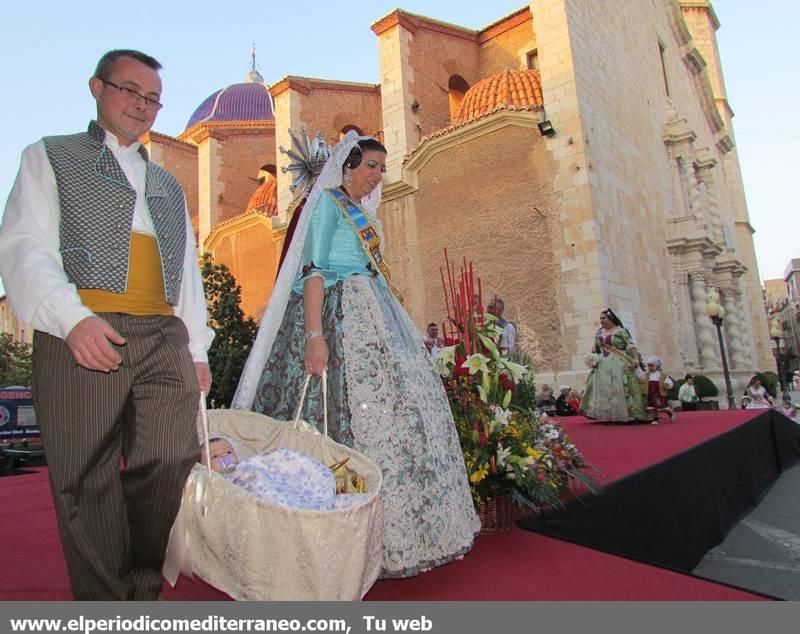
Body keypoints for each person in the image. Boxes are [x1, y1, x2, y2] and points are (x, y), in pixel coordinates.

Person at [0, 50, 214, 600]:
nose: (140, 106)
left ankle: (138, 591)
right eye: (128, 90)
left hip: (163, 333)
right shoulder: (48, 156)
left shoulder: (169, 186)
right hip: (84, 328)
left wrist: (197, 350)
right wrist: (72, 320)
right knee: (84, 478)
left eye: (151, 99)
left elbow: (187, 272)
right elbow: (26, 247)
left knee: (172, 458)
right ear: (97, 88)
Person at [232, 132, 479, 578]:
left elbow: (374, 270)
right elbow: (313, 270)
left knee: (402, 416)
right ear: (347, 166)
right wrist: (315, 335)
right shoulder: (328, 204)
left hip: (376, 311)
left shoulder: (366, 214)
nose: (378, 175)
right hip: (338, 311)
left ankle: (403, 533)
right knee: (334, 421)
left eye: (382, 168)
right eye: (371, 165)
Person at [580, 309, 647, 422]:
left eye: (604, 318)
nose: (601, 321)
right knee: (603, 389)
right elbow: (595, 349)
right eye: (600, 318)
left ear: (611, 319)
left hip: (619, 363)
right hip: (602, 364)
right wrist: (591, 359)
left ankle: (624, 414)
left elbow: (630, 345)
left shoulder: (620, 331)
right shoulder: (598, 333)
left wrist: (635, 358)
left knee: (619, 388)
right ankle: (607, 414)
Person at [638, 356, 675, 423]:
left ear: (657, 366)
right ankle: (656, 418)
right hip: (650, 393)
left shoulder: (661, 375)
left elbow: (668, 381)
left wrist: (667, 384)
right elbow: (640, 376)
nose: (650, 368)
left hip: (658, 393)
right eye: (648, 366)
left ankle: (669, 411)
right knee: (652, 407)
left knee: (659, 407)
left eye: (652, 366)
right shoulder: (646, 374)